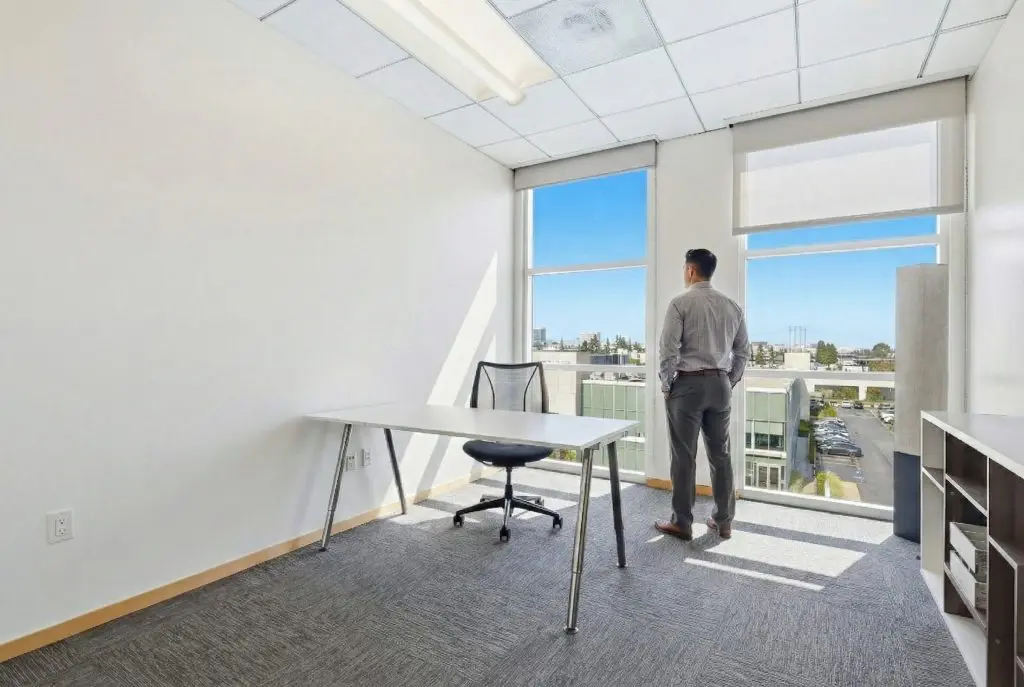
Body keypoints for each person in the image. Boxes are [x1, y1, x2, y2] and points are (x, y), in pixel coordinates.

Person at [655, 249, 748, 541]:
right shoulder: (732, 306)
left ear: (691, 271)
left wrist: (667, 385)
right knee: (721, 455)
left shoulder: (680, 303)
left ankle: (682, 523)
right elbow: (743, 352)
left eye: (685, 268)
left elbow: (668, 351)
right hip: (720, 385)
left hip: (688, 386)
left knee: (683, 456)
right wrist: (727, 380)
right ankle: (724, 521)